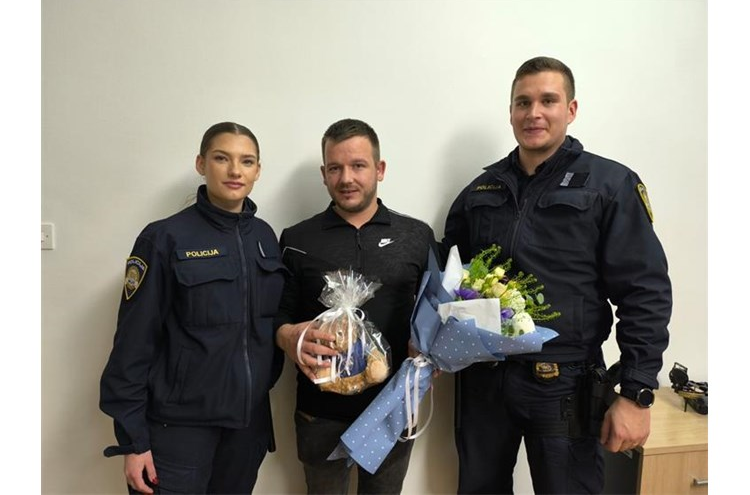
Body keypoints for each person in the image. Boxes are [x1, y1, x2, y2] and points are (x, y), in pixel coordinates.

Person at [441, 57, 672, 494]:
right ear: (511, 111)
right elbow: (449, 275)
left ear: (571, 109)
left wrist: (636, 393)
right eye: (522, 102)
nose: (534, 113)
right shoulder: (482, 189)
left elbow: (645, 291)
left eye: (548, 100)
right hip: (484, 381)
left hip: (563, 383)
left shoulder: (609, 185)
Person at [99, 121, 287, 494]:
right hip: (178, 431)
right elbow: (133, 342)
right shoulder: (164, 237)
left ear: (258, 171)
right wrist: (133, 440)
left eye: (247, 161)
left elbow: (268, 328)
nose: (235, 171)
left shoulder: (265, 238)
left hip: (245, 430)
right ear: (201, 164)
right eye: (222, 158)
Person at [274, 118, 435, 495]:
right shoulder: (296, 238)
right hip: (319, 413)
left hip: (393, 408)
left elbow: (436, 309)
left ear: (380, 169)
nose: (346, 178)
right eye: (335, 168)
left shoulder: (416, 236)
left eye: (358, 165)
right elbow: (277, 315)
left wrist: (431, 349)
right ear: (323, 174)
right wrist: (288, 336)